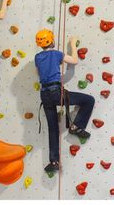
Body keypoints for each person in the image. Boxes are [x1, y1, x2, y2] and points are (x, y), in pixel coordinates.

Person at [34, 29, 95, 173]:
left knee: (52, 128)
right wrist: (73, 44)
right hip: (55, 92)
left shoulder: (37, 57)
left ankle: (54, 161)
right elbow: (74, 61)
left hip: (44, 94)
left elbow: (38, 73)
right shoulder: (55, 54)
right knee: (89, 100)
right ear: (52, 41)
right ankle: (76, 127)